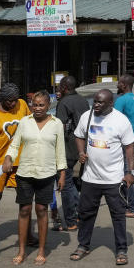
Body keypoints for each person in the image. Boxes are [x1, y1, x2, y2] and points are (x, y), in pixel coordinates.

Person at [69, 89, 134, 266]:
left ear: (110, 104)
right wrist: (81, 152)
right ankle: (83, 245)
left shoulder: (121, 120)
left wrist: (130, 172)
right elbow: (78, 136)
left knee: (118, 215)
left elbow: (130, 148)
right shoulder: (87, 116)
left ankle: (121, 249)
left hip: (114, 179)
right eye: (95, 102)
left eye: (100, 103)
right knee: (86, 214)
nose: (96, 105)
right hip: (91, 177)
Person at [2, 91, 66, 266]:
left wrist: (62, 174)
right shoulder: (25, 122)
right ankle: (21, 251)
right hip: (25, 173)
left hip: (46, 173)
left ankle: (41, 251)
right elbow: (15, 145)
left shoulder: (56, 124)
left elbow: (60, 150)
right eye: (34, 104)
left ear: (48, 106)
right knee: (24, 210)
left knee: (41, 210)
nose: (37, 108)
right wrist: (8, 158)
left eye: (41, 105)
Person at [0, 82, 32, 248]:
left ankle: (28, 235)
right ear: (2, 98)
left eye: (15, 100)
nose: (13, 104)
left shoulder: (22, 105)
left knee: (25, 199)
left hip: (20, 162)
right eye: (9, 101)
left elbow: (31, 123)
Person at [52, 76, 88, 232]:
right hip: (82, 146)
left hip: (68, 147)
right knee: (71, 182)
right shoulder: (83, 100)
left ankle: (71, 221)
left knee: (64, 183)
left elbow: (60, 127)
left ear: (65, 87)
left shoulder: (64, 103)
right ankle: (80, 214)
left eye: (60, 86)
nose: (58, 88)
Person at [114, 74, 134, 218]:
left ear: (124, 85)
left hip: (122, 142)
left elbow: (114, 121)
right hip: (133, 141)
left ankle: (132, 207)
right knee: (128, 171)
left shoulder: (120, 101)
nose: (117, 85)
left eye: (119, 83)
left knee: (126, 173)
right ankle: (125, 204)